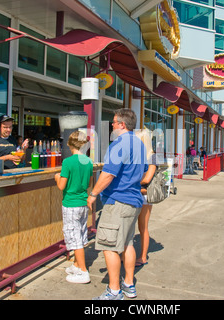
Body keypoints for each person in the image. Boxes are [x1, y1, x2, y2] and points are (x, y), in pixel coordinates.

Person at [87, 109, 148, 300]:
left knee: (110, 246)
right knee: (127, 243)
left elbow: (108, 174)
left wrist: (93, 194)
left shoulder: (119, 145)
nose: (112, 125)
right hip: (134, 200)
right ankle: (129, 284)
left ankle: (114, 291)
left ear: (122, 124)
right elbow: (145, 170)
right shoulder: (139, 144)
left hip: (118, 201)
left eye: (114, 122)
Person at [55, 131, 93, 284]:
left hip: (71, 203)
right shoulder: (88, 161)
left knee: (74, 237)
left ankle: (83, 271)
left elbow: (61, 186)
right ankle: (77, 265)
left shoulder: (68, 162)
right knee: (81, 233)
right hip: (83, 202)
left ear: (69, 144)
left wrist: (57, 177)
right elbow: (89, 184)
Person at [135, 129, 157, 268]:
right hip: (135, 192)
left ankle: (143, 256)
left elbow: (147, 178)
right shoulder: (137, 155)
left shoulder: (151, 156)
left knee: (142, 227)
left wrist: (131, 180)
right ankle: (128, 253)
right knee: (130, 227)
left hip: (144, 194)